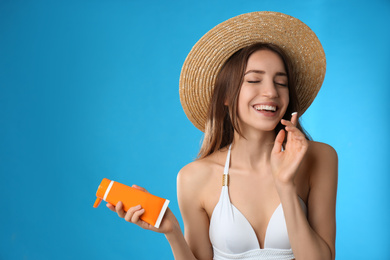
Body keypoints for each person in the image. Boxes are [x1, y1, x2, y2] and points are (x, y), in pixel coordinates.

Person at [107, 11, 338, 260]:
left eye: (281, 83)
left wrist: (285, 185)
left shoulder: (319, 158)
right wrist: (172, 231)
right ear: (226, 96)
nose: (271, 91)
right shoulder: (194, 177)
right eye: (254, 80)